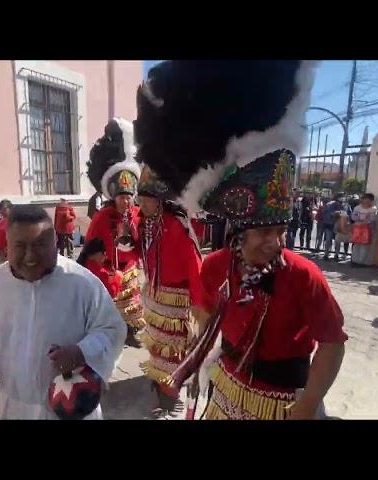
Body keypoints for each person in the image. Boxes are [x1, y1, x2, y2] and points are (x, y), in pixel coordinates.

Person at [135, 60, 346, 420]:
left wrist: (309, 403)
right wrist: (212, 352)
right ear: (240, 230)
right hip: (227, 388)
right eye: (265, 232)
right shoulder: (216, 264)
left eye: (281, 232)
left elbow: (332, 343)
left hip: (285, 401)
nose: (275, 242)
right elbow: (202, 308)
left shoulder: (304, 274)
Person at [0, 205, 126, 419]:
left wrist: (81, 351)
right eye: (20, 246)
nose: (30, 256)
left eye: (40, 245)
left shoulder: (83, 284)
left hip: (71, 409)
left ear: (55, 243)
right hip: (14, 410)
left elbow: (112, 329)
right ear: (6, 247)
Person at [135, 165, 210, 415]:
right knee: (157, 346)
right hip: (155, 297)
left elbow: (194, 265)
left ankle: (168, 396)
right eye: (141, 199)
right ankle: (160, 383)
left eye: (147, 200)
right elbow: (141, 252)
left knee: (173, 352)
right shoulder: (148, 224)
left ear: (160, 200)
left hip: (177, 301)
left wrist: (199, 305)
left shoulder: (177, 225)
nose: (142, 205)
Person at [85, 118, 144, 347]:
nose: (126, 201)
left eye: (129, 196)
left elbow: (144, 242)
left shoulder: (139, 213)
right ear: (113, 196)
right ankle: (110, 332)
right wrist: (106, 273)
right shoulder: (101, 217)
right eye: (121, 196)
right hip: (108, 269)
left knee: (133, 302)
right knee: (111, 307)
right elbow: (91, 251)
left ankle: (131, 331)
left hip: (130, 268)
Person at [350, 193, 378, 266]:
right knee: (356, 244)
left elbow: (372, 219)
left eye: (367, 199)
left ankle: (361, 262)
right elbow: (353, 217)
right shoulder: (357, 208)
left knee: (364, 246)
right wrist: (360, 219)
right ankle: (354, 260)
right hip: (357, 228)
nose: (365, 200)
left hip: (367, 230)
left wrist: (364, 220)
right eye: (364, 198)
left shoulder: (373, 209)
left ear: (371, 200)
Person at [322, 192, 345, 260]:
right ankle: (326, 254)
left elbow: (346, 213)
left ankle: (336, 255)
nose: (342, 198)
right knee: (328, 240)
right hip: (329, 225)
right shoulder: (330, 204)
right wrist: (338, 213)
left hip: (338, 226)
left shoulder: (343, 205)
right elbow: (330, 214)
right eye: (341, 196)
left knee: (338, 241)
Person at [333, 196, 352, 262]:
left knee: (346, 242)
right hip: (339, 225)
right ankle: (336, 254)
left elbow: (350, 215)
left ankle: (345, 254)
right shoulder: (336, 206)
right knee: (337, 242)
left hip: (345, 226)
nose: (342, 203)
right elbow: (334, 215)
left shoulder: (348, 207)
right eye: (341, 201)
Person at [0, 199, 13, 263]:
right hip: (2, 256)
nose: (2, 211)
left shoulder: (15, 222)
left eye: (4, 209)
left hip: (11, 255)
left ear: (10, 209)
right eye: (1, 209)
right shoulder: (0, 223)